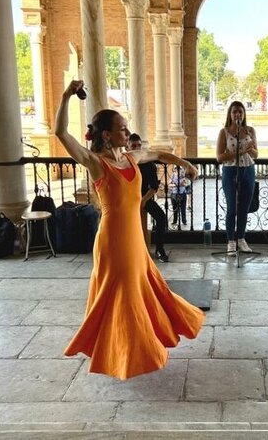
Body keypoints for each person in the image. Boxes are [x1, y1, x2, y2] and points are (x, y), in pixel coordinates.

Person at [56, 80, 204, 380]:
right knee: (124, 297)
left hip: (135, 238)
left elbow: (159, 154)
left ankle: (133, 349)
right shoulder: (95, 162)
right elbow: (60, 133)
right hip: (113, 240)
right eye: (122, 128)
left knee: (142, 288)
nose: (128, 132)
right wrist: (66, 96)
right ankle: (130, 354)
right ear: (107, 134)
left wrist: (183, 161)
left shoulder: (131, 158)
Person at [216, 101, 258, 255]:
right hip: (230, 171)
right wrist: (240, 151)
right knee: (232, 208)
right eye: (234, 112)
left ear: (244, 113)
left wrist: (250, 150)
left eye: (240, 111)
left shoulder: (250, 131)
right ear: (230, 114)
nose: (237, 114)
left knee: (244, 208)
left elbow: (256, 154)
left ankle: (241, 238)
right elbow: (219, 157)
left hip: (249, 169)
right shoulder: (224, 132)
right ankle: (231, 241)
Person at [128, 133, 169, 262]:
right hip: (127, 199)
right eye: (133, 145)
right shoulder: (124, 162)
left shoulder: (148, 163)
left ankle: (159, 249)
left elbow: (154, 187)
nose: (136, 148)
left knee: (161, 217)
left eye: (139, 146)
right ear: (127, 147)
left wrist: (143, 201)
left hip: (144, 197)